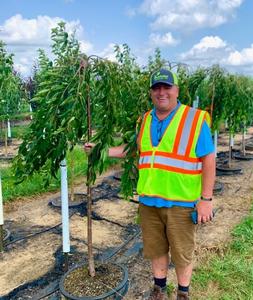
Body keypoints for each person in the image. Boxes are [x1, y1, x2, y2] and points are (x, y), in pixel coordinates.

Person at [85, 68, 215, 300]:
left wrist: (206, 200)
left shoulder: (194, 119)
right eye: (156, 88)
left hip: (181, 203)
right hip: (149, 201)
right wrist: (102, 150)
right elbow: (135, 150)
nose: (161, 92)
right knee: (156, 249)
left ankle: (183, 293)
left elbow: (209, 159)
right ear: (151, 93)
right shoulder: (146, 119)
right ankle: (159, 290)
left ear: (176, 90)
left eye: (167, 87)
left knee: (182, 253)